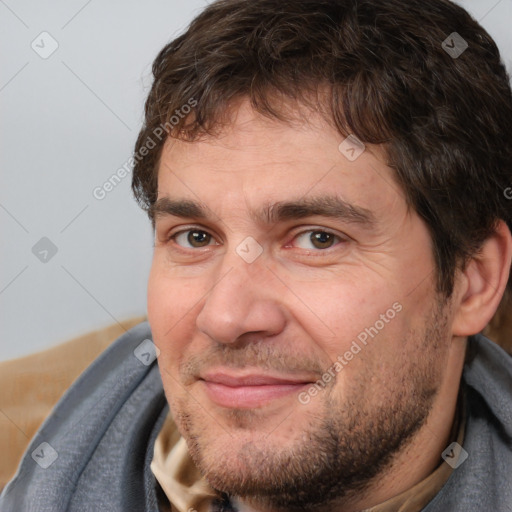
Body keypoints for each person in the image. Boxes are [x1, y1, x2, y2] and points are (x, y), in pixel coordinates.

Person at [2, 0, 512, 510]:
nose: (225, 317)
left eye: (317, 239)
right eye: (195, 237)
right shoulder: (16, 446)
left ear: (474, 280)